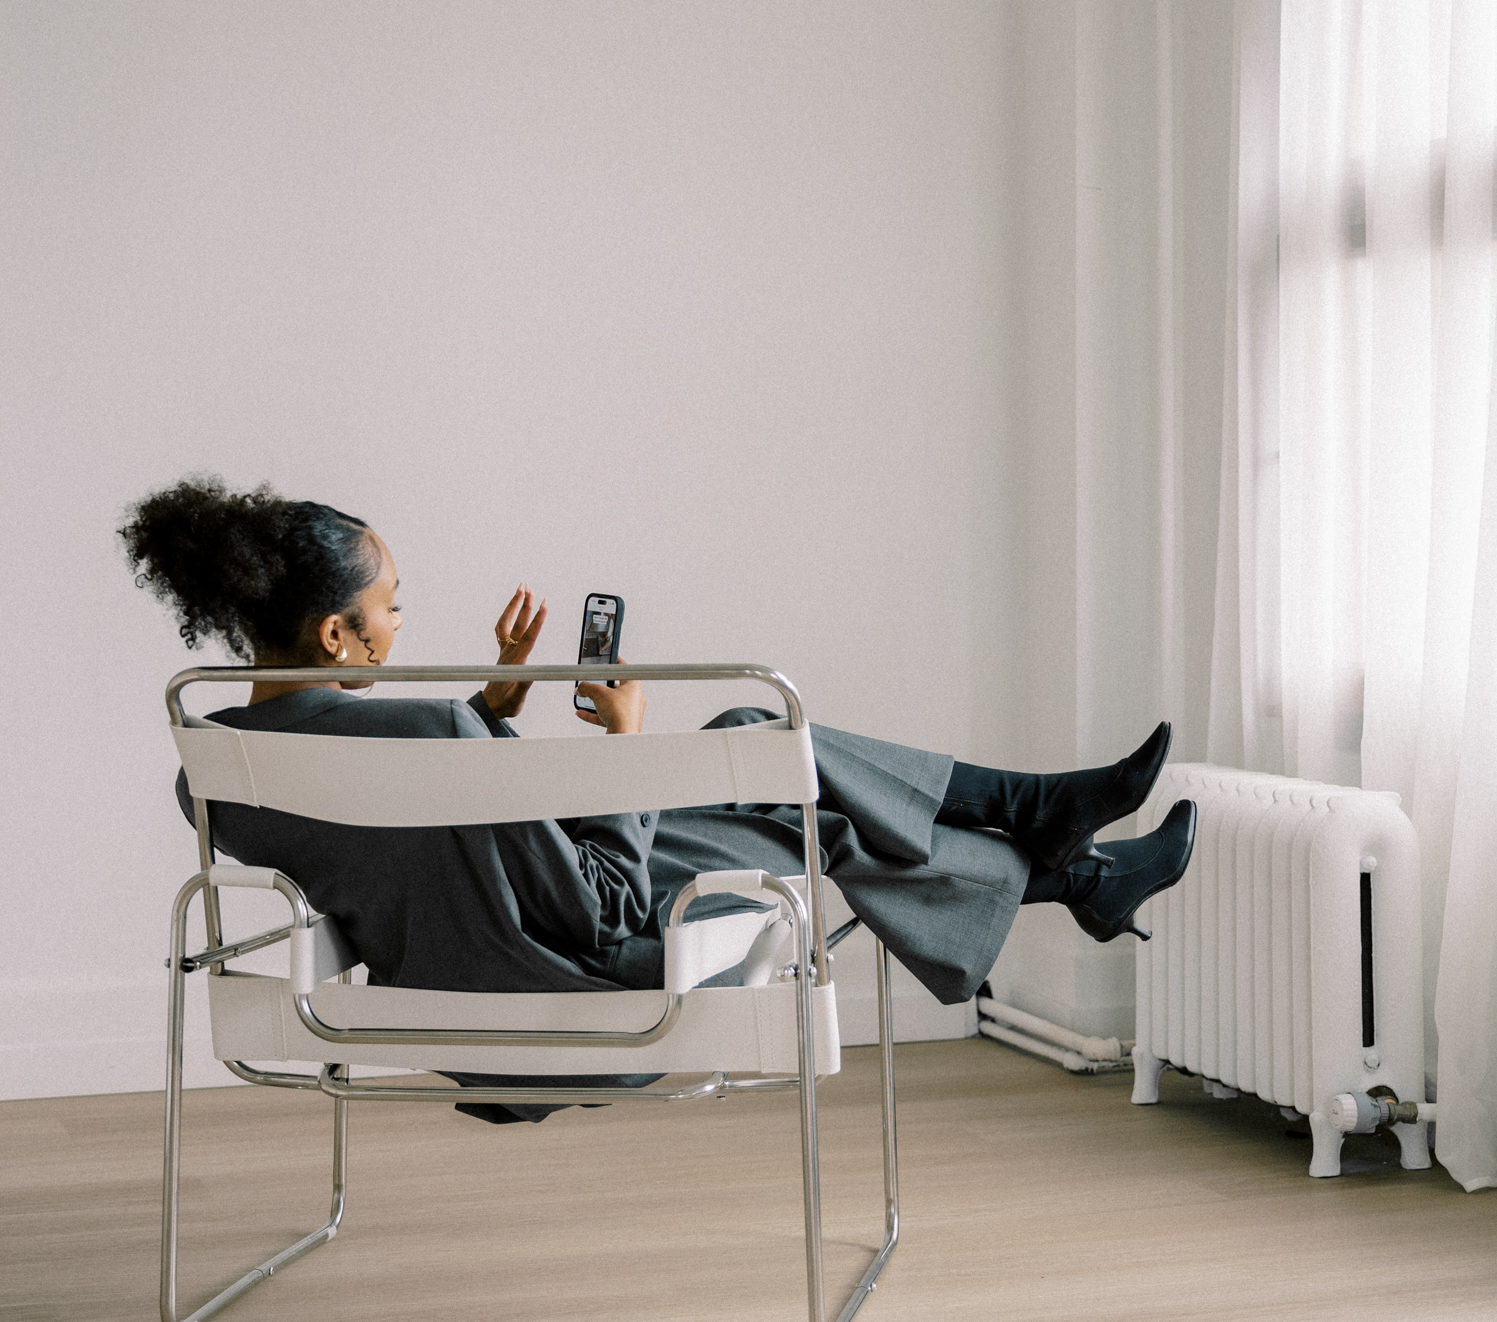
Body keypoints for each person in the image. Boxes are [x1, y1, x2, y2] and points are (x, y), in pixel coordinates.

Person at [120, 479, 1196, 1123]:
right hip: (574, 991)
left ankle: (1071, 859)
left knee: (752, 754)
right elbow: (600, 908)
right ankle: (1053, 841)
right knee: (782, 777)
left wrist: (492, 716)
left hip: (439, 987)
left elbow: (411, 844)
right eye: (390, 608)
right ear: (336, 638)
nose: (400, 625)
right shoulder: (429, 731)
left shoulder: (212, 771)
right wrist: (623, 753)